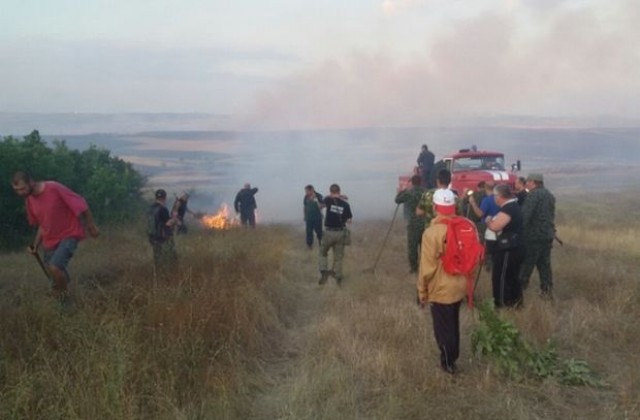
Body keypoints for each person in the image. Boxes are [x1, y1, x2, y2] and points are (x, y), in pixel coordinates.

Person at [11, 171, 100, 300]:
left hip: (69, 234)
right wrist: (35, 245)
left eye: (22, 188)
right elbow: (42, 225)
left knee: (55, 267)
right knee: (54, 276)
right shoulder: (29, 201)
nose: (20, 193)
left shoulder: (53, 187)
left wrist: (91, 225)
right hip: (49, 240)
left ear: (31, 182)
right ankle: (63, 291)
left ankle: (65, 300)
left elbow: (81, 203)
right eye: (17, 190)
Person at [417, 189, 467, 374]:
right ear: (454, 206)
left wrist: (422, 291)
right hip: (460, 285)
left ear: (435, 207)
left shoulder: (432, 233)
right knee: (453, 322)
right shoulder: (465, 226)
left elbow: (427, 268)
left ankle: (448, 364)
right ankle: (452, 356)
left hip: (441, 288)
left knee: (443, 328)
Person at [486, 184, 524, 308]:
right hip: (515, 247)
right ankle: (516, 303)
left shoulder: (508, 208)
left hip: (508, 249)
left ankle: (503, 304)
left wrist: (488, 221)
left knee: (501, 278)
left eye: (495, 195)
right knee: (512, 277)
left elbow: (495, 227)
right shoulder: (513, 206)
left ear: (500, 196)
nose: (494, 198)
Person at [519, 173, 556, 296]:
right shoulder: (549, 195)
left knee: (526, 266)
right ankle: (547, 292)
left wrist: (519, 231)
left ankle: (519, 293)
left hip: (533, 237)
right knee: (545, 266)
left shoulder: (533, 196)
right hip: (547, 236)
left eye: (528, 181)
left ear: (534, 182)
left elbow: (525, 216)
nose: (526, 184)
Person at [318, 184, 352, 285]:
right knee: (338, 257)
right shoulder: (346, 204)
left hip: (328, 232)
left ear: (330, 191)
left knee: (323, 252)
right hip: (340, 233)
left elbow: (320, 206)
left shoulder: (328, 200)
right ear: (339, 191)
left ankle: (324, 271)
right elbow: (349, 220)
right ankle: (338, 277)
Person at [395, 175, 426, 273]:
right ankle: (426, 267)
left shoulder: (409, 193)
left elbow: (397, 200)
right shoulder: (426, 193)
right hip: (425, 223)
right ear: (421, 182)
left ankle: (414, 268)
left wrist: (403, 190)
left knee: (412, 247)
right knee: (425, 247)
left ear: (412, 182)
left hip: (413, 223)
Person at [468, 181, 500, 270]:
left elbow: (480, 214)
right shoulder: (499, 198)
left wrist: (473, 203)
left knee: (483, 243)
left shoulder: (487, 200)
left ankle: (485, 260)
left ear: (485, 188)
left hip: (486, 226)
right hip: (498, 224)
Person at [148, 189, 178, 277]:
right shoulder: (163, 209)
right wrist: (174, 218)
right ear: (164, 198)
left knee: (157, 258)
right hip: (163, 238)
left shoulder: (150, 208)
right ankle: (170, 276)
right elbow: (168, 223)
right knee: (171, 258)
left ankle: (157, 275)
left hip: (153, 238)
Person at [303, 185, 324, 249]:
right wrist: (305, 216)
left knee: (319, 231)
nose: (306, 192)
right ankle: (309, 246)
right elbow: (305, 206)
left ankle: (321, 243)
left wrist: (315, 199)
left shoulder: (318, 196)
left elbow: (322, 205)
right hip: (309, 218)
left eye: (307, 191)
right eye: (305, 191)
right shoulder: (306, 197)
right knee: (309, 232)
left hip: (317, 217)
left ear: (311, 190)